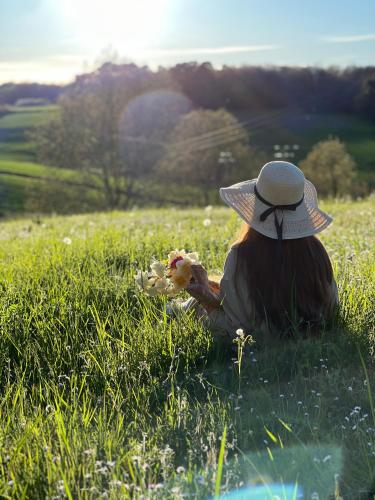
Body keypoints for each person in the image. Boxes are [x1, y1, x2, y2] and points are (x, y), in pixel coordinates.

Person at [184, 161, 338, 345]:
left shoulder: (241, 256)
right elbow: (331, 311)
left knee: (192, 308)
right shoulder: (316, 251)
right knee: (209, 295)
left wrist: (207, 302)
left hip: (260, 341)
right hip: (310, 337)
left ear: (255, 204)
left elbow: (238, 330)